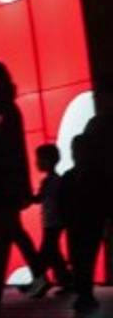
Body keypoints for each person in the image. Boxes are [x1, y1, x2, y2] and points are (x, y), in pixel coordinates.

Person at [0, 60, 34, 315]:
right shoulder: (10, 109)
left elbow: (0, 148)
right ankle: (44, 273)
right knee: (13, 231)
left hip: (1, 183)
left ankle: (41, 272)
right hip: (10, 182)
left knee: (7, 232)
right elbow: (18, 152)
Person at [61, 134, 104, 314]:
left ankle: (84, 294)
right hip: (85, 223)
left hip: (82, 223)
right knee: (83, 259)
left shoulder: (71, 176)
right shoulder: (95, 175)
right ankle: (85, 294)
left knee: (82, 260)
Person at [29, 143, 72, 295]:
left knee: (45, 253)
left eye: (39, 159)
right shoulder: (55, 180)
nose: (36, 163)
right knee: (53, 254)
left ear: (46, 161)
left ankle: (39, 282)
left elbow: (38, 199)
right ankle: (66, 282)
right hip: (55, 222)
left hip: (52, 222)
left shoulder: (49, 181)